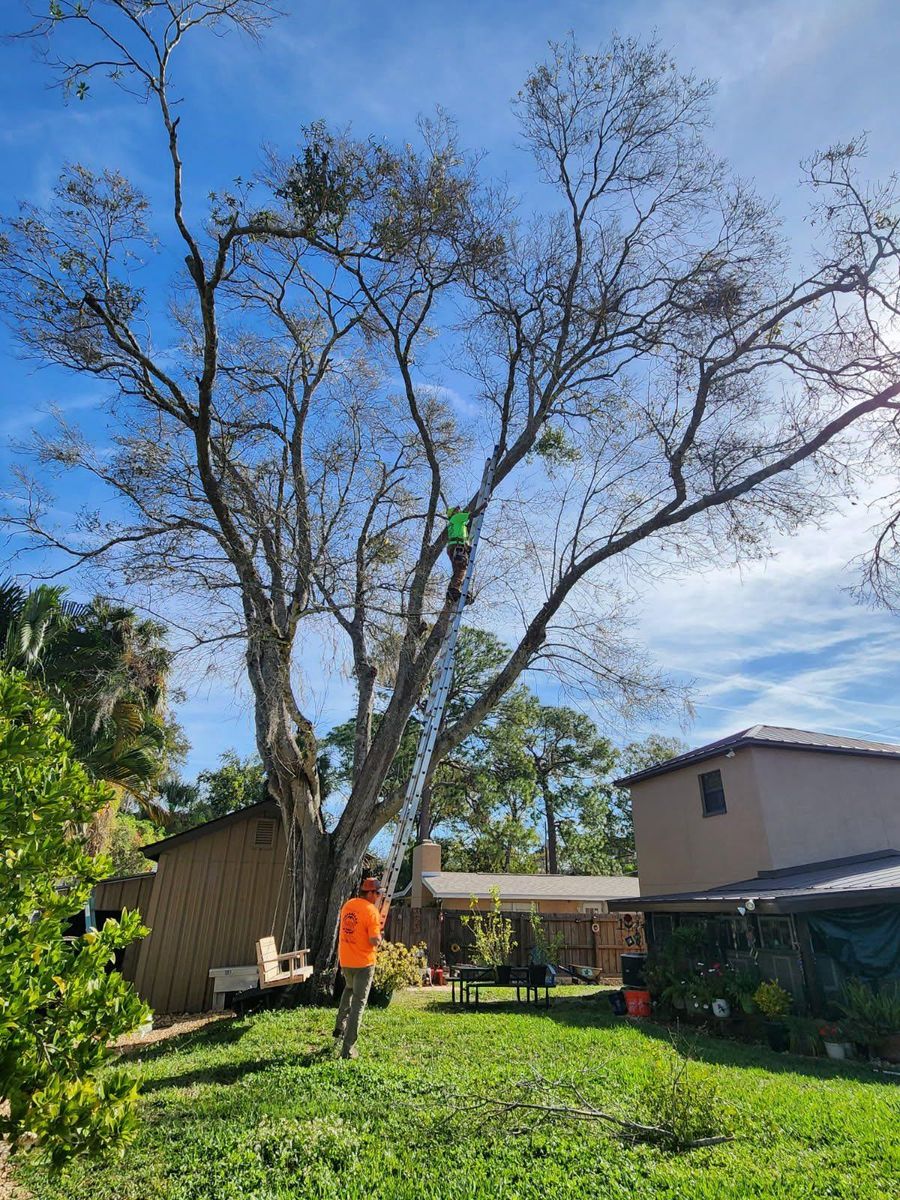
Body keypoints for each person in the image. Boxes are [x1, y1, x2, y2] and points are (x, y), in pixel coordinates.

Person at [333, 876, 384, 1059]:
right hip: (364, 963)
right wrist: (380, 938)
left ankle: (339, 1028)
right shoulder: (372, 911)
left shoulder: (348, 905)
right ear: (370, 892)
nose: (378, 896)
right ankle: (348, 1049)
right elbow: (373, 940)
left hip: (346, 960)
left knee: (348, 989)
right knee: (358, 1005)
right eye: (377, 893)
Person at [445, 506, 473, 603]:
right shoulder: (457, 517)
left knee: (457, 570)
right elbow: (472, 515)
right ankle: (454, 590)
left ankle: (452, 592)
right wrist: (483, 506)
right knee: (461, 568)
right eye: (457, 510)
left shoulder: (454, 523)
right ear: (453, 513)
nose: (459, 511)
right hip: (457, 546)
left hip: (454, 547)